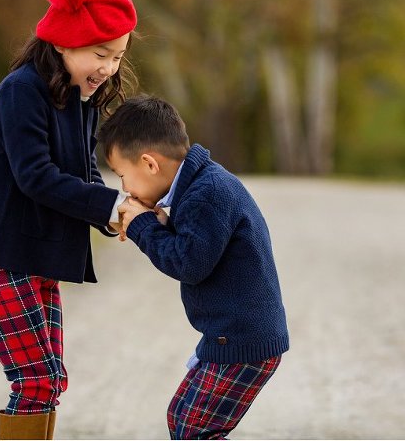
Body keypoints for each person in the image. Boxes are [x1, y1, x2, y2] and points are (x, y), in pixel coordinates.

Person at [0, 0, 136, 440]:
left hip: (31, 257)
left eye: (116, 57)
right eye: (100, 53)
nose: (108, 68)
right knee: (36, 380)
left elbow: (83, 171)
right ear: (64, 41)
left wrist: (123, 215)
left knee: (49, 380)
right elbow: (37, 177)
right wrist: (108, 206)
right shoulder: (22, 92)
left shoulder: (79, 96)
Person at [98, 96, 290, 439]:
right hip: (229, 335)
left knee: (195, 429)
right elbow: (199, 244)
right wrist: (159, 223)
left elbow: (188, 264)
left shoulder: (207, 193)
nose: (125, 188)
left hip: (241, 338)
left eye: (123, 176)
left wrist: (143, 226)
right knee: (182, 416)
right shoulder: (201, 186)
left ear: (149, 163)